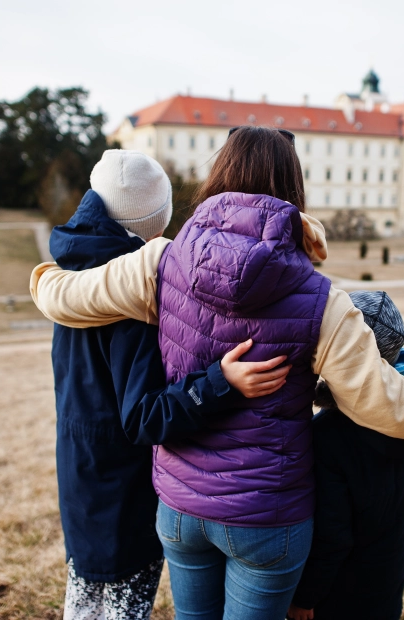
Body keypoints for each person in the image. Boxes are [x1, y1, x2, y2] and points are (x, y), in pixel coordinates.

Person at [31, 127, 404, 619]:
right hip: (268, 516)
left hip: (180, 506)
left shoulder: (158, 261)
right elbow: (384, 405)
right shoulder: (326, 303)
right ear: (294, 188)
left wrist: (43, 276)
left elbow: (63, 297)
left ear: (219, 174)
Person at [51, 150, 291, 620]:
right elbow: (143, 416)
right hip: (121, 491)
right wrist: (221, 381)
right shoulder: (130, 299)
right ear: (153, 221)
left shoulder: (74, 270)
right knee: (120, 606)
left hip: (80, 472)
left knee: (85, 602)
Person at [287, 291, 404, 620]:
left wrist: (305, 597)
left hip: (337, 597)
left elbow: (332, 536)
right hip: (386, 586)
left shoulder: (330, 436)